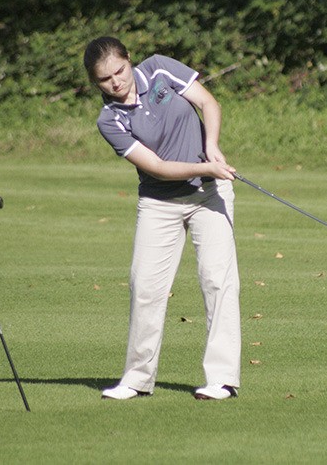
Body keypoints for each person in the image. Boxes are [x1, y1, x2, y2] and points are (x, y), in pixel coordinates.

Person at [83, 36, 241, 400]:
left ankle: (222, 379)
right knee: (145, 287)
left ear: (129, 60)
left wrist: (212, 145)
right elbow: (158, 168)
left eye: (119, 71)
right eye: (104, 80)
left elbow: (208, 102)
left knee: (218, 282)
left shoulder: (158, 68)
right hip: (159, 204)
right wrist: (206, 167)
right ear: (96, 83)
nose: (116, 82)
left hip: (209, 196)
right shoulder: (109, 120)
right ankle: (137, 380)